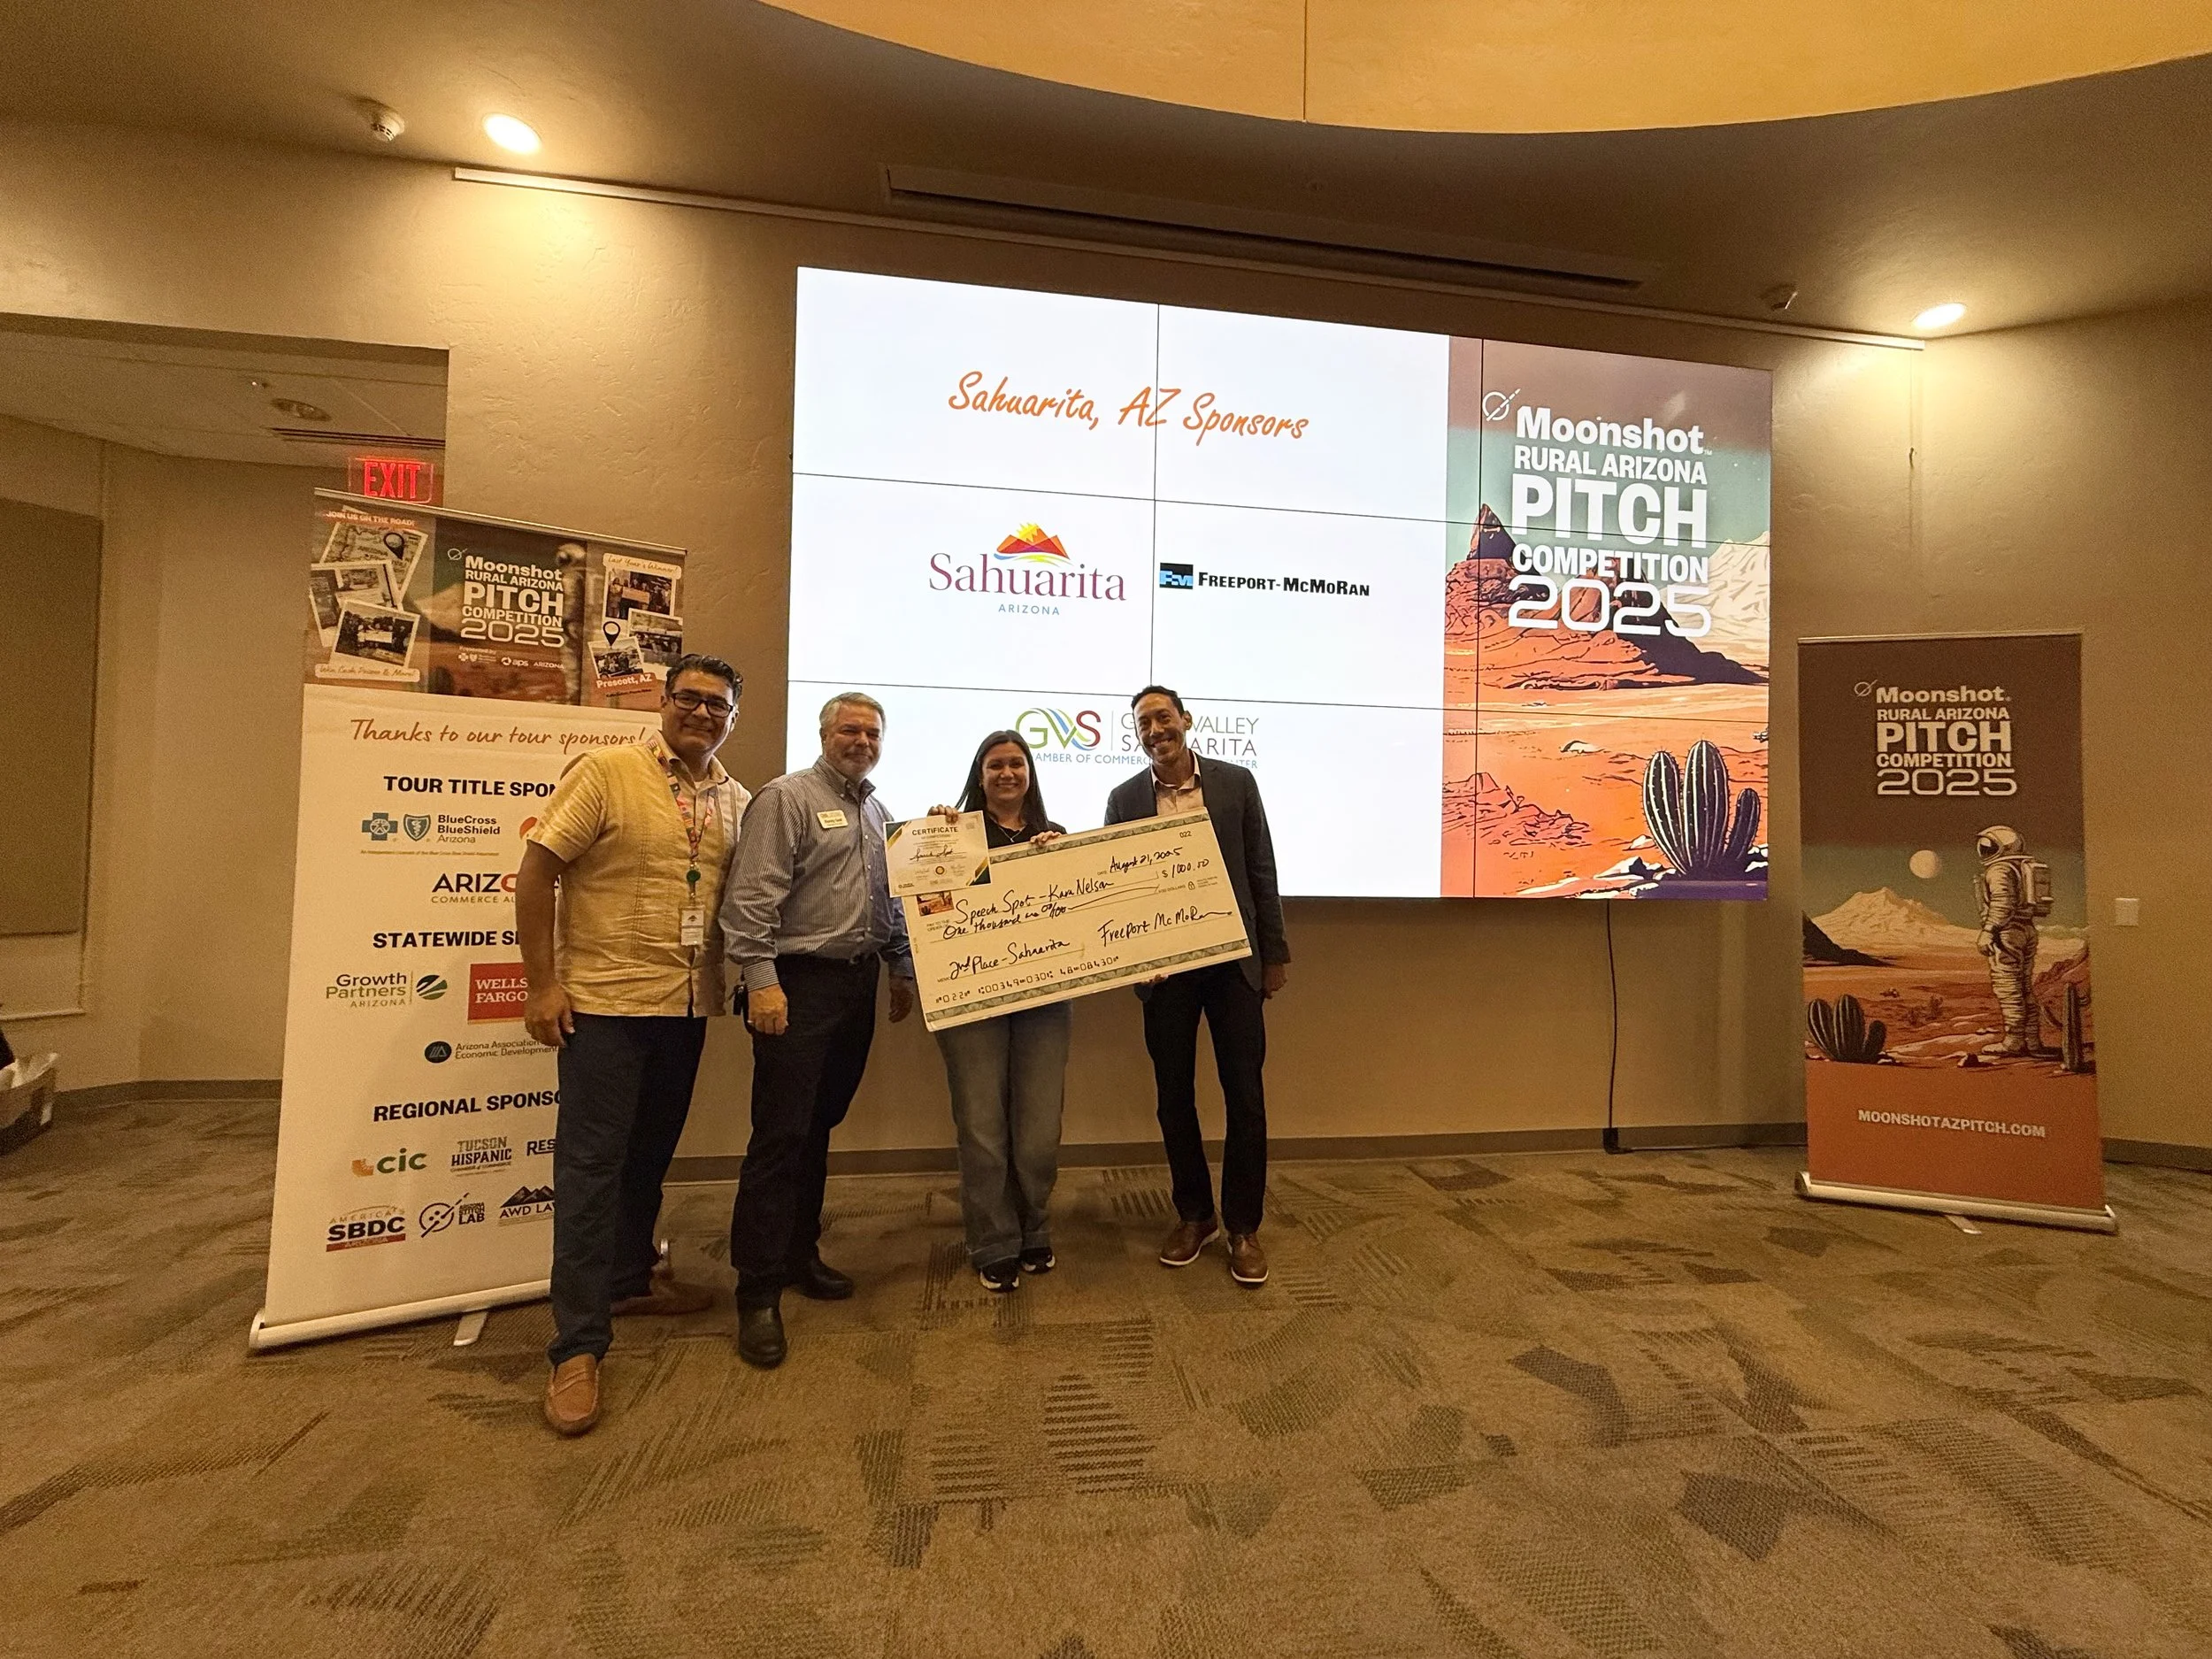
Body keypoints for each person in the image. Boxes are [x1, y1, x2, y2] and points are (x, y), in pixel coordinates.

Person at [518, 653, 749, 1436]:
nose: (702, 714)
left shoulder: (737, 801)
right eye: (690, 699)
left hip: (684, 1008)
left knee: (648, 1157)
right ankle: (576, 1348)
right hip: (604, 1010)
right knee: (589, 1171)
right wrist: (542, 983)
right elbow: (536, 873)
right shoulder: (608, 773)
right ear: (664, 702)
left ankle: (628, 1277)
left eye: (718, 706)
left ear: (731, 719)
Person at [720, 692, 916, 1367]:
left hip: (855, 986)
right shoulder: (786, 797)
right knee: (779, 1136)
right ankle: (757, 1290)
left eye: (871, 732)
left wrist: (899, 969)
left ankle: (800, 1254)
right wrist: (761, 980)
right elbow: (750, 898)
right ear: (824, 733)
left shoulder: (878, 812)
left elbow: (887, 903)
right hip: (794, 987)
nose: (860, 740)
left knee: (818, 1127)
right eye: (848, 729)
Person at [1103, 686, 1289, 1287]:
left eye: (1164, 717)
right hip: (1165, 972)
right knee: (1172, 1098)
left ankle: (1243, 1226)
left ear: (1186, 721)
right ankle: (1195, 1214)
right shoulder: (1124, 798)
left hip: (1235, 965)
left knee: (1246, 1097)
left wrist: (1275, 954)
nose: (1156, 729)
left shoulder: (1236, 783)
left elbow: (1261, 867)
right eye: (1143, 723)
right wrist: (1130, 958)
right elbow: (1115, 884)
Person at [926, 731, 1070, 1293]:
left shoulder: (1055, 840)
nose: (1007, 773)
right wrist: (930, 840)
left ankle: (1036, 1225)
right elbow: (931, 904)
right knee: (983, 1128)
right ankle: (993, 1240)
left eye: (1017, 763)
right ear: (979, 775)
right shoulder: (950, 836)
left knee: (1038, 1132)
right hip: (971, 1000)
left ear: (1030, 773)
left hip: (1044, 1001)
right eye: (995, 765)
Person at [1975, 825, 2057, 1058]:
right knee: (2024, 988)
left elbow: (2003, 902)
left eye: (1989, 846)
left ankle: (2013, 1041)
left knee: (2009, 989)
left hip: (2007, 932)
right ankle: (2032, 1041)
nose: (1984, 851)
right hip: (2026, 929)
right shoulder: (2021, 867)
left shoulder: (2000, 870)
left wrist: (1989, 930)